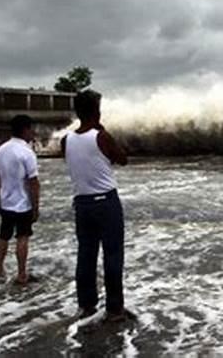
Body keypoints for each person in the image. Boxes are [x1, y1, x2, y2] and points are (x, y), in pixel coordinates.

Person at [61, 90, 135, 322]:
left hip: (82, 204)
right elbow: (122, 159)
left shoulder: (66, 140)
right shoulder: (102, 137)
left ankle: (86, 305)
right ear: (97, 110)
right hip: (106, 203)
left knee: (86, 255)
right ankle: (114, 310)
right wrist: (102, 130)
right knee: (112, 255)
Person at [0, 115, 40, 284]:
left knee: (3, 236)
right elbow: (33, 183)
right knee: (22, 237)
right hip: (22, 204)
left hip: (6, 202)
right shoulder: (27, 152)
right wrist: (35, 208)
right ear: (25, 130)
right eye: (31, 129)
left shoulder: (1, 150)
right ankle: (21, 274)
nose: (32, 132)